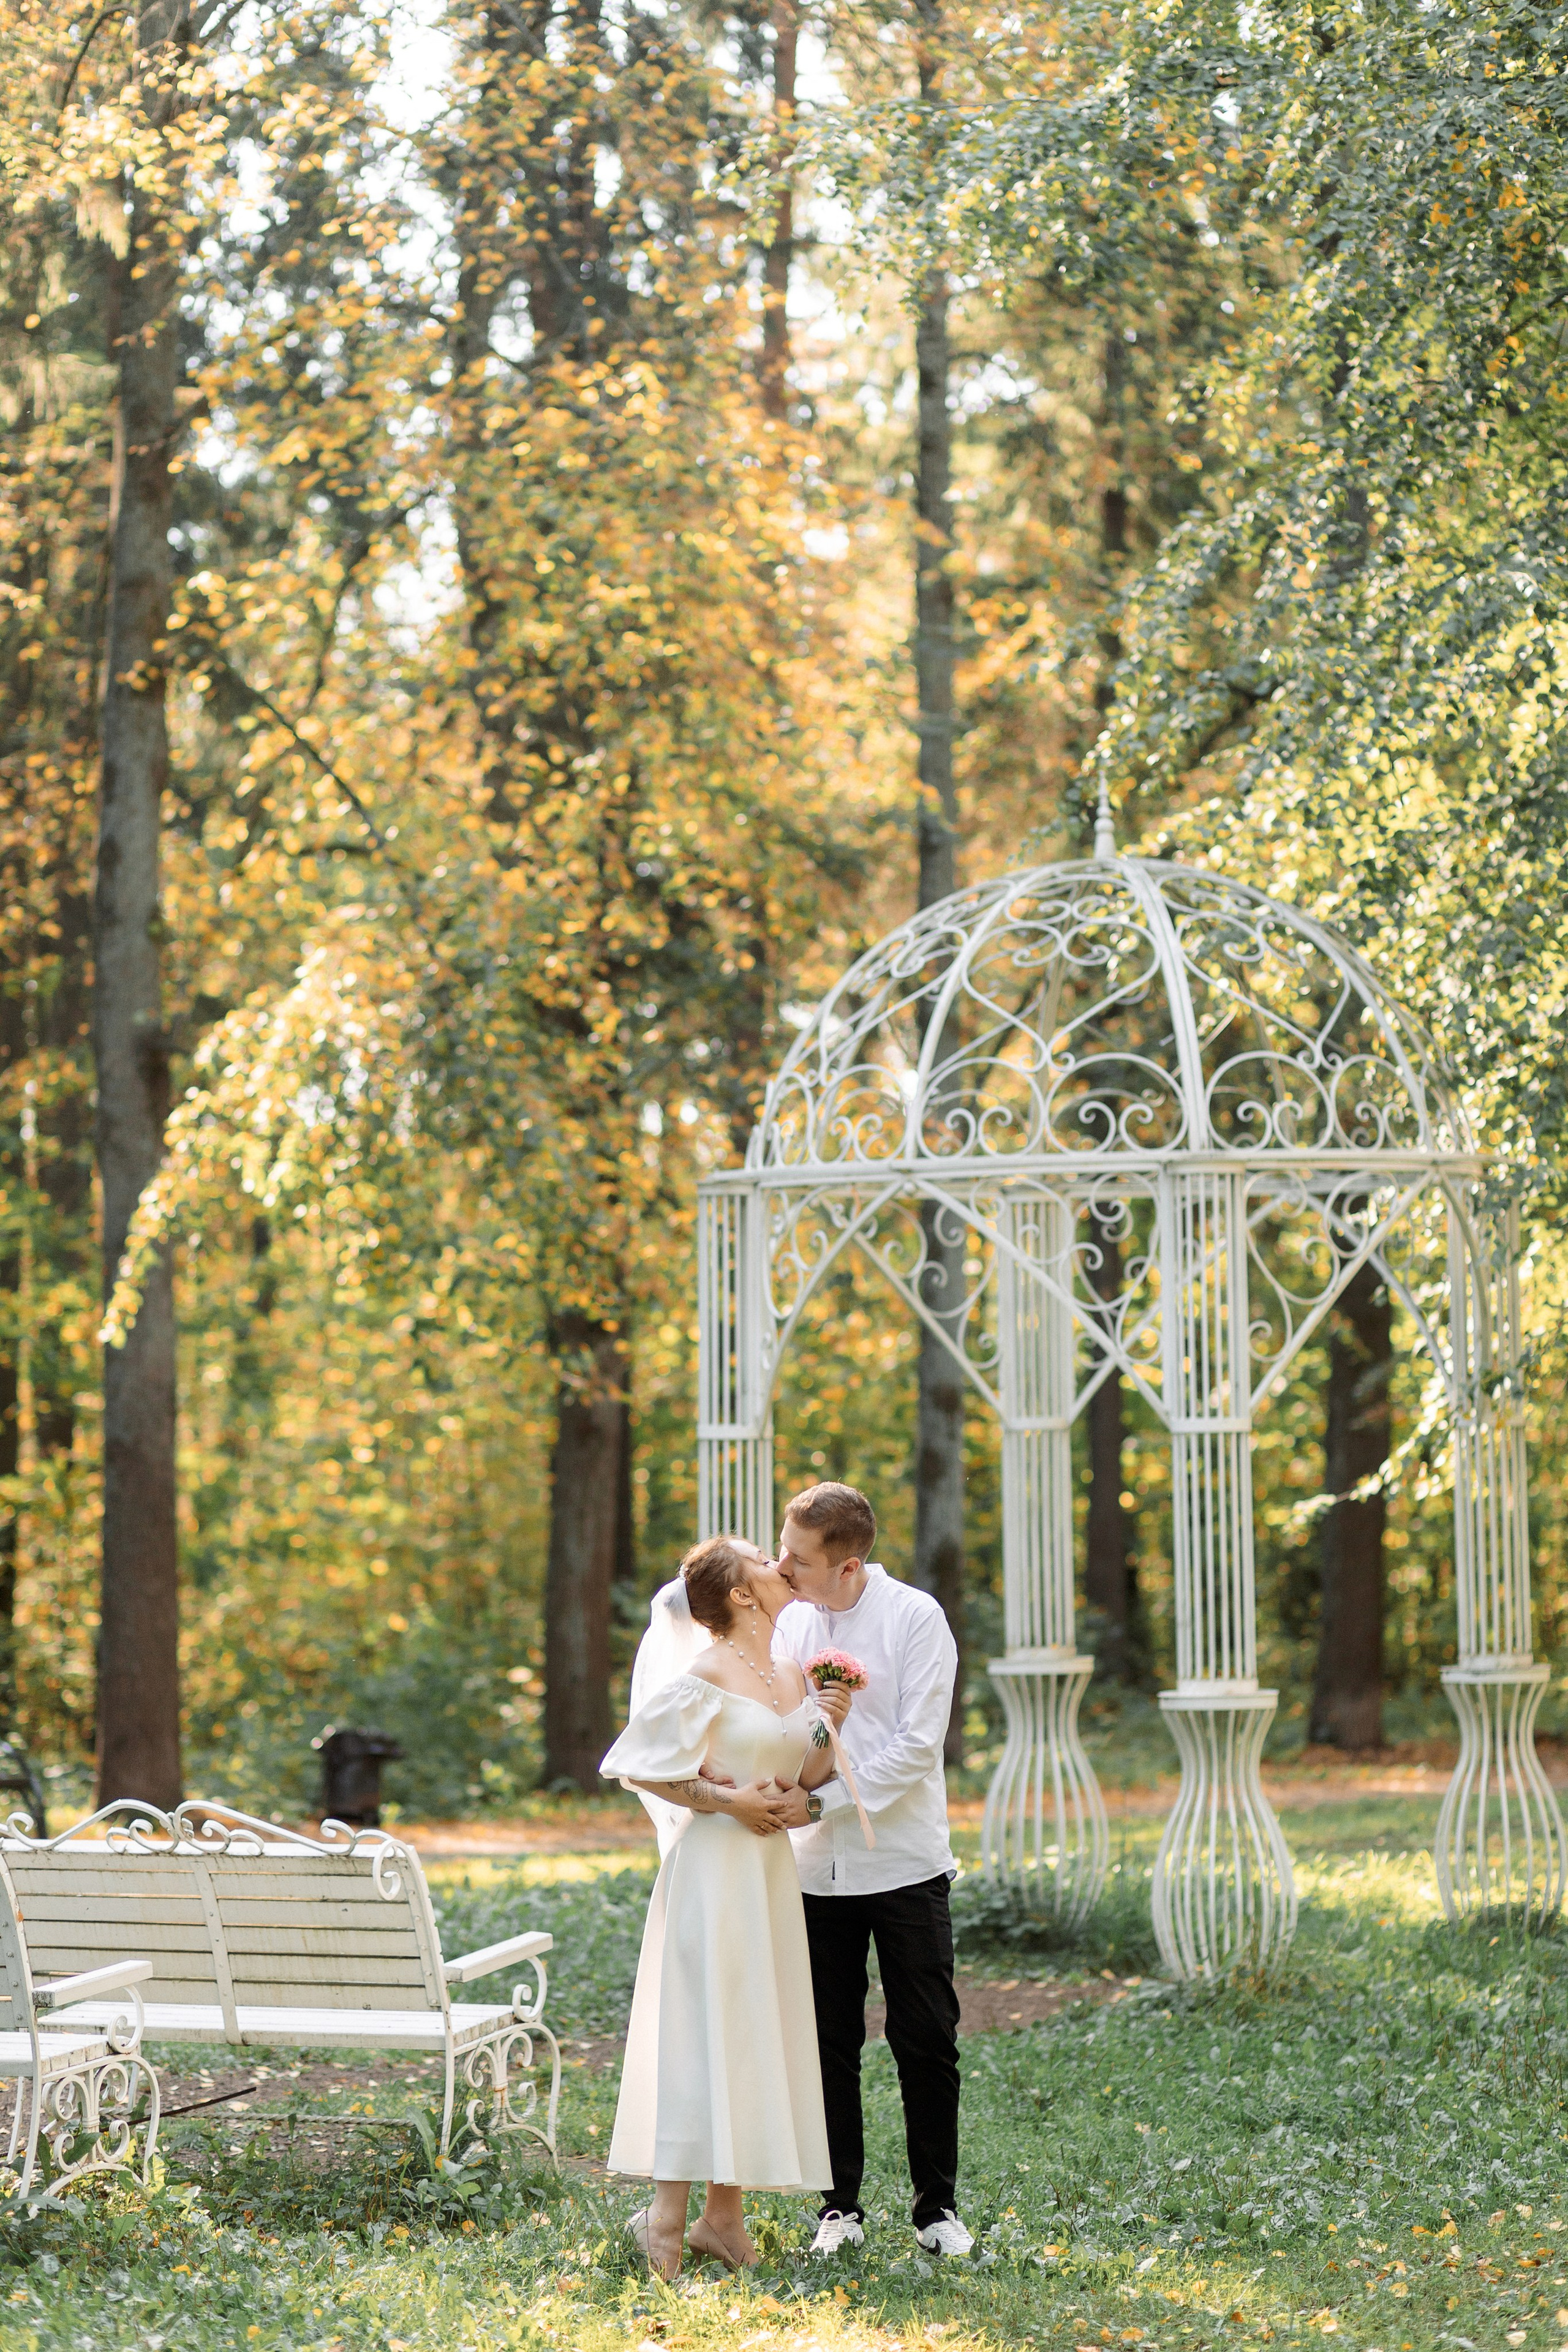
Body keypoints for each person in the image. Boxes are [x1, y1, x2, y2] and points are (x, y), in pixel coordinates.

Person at [598, 1534, 854, 2279]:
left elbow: (805, 1771)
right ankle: (666, 2225)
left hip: (768, 1878)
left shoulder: (786, 1669)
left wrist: (828, 1719)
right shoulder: (703, 1674)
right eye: (760, 1563)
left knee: (746, 2031)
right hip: (710, 1875)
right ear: (740, 1595)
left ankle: (724, 2219)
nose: (779, 1568)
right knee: (698, 2032)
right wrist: (725, 1800)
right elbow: (636, 1765)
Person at [769, 1481, 973, 2260]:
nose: (782, 1566)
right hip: (813, 1870)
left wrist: (823, 1806)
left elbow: (919, 1746)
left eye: (799, 1558)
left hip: (905, 1860)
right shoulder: (790, 1622)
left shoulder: (915, 1618)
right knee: (828, 2038)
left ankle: (936, 2211)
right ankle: (839, 2207)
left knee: (926, 2036)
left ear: (849, 1565)